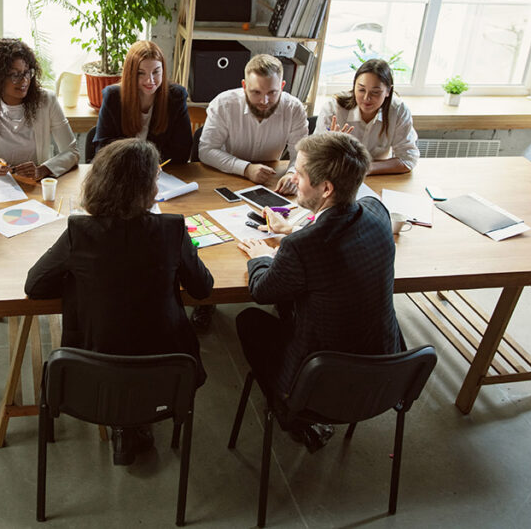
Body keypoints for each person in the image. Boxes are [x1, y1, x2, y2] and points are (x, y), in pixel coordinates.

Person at [25, 138, 213, 465]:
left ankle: (124, 425)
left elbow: (35, 285)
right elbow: (203, 288)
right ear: (145, 189)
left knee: (119, 346)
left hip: (90, 373)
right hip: (167, 372)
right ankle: (134, 423)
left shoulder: (79, 231)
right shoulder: (172, 230)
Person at [234, 131, 403, 453]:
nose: (292, 178)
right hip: (387, 374)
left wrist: (261, 257)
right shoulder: (376, 211)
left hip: (323, 383)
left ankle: (290, 413)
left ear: (326, 188)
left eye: (300, 172)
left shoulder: (301, 248)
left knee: (249, 320)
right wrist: (296, 230)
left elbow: (262, 290)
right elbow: (337, 237)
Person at [194, 53, 308, 330]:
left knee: (278, 238)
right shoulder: (224, 103)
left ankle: (282, 292)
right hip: (224, 177)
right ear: (244, 85)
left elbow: (303, 154)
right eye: (256, 92)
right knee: (217, 244)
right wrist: (245, 168)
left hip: (271, 184)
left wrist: (294, 173)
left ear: (282, 86)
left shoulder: (294, 108)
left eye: (272, 93)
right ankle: (206, 299)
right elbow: (206, 150)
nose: (265, 101)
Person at [0, 39, 80, 179]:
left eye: (27, 72)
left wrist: (42, 170)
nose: (24, 80)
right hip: (0, 186)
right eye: (15, 75)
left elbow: (72, 152)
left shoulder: (47, 101)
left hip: (36, 185)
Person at [93, 40, 192, 164]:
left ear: (163, 70)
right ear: (131, 74)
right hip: (121, 172)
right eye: (141, 73)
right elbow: (103, 150)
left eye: (156, 72)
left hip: (162, 174)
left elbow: (182, 151)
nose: (150, 80)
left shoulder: (176, 97)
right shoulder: (113, 97)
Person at [314, 58, 419, 174]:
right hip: (338, 175)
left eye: (375, 92)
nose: (366, 98)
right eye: (361, 90)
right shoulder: (333, 109)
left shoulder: (398, 111)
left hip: (378, 177)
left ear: (388, 91)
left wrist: (367, 168)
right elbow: (313, 157)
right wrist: (330, 148)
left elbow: (408, 159)